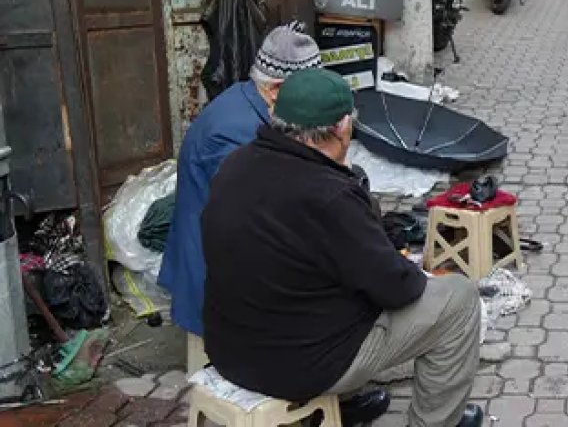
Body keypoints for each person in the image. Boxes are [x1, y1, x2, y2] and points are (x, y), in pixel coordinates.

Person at [202, 68, 484, 427]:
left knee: (321, 282)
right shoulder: (329, 194)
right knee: (458, 300)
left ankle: (343, 405)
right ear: (341, 127)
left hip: (231, 350)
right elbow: (397, 287)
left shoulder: (235, 164)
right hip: (299, 365)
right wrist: (414, 270)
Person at [160, 23, 320, 356]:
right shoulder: (235, 132)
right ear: (276, 90)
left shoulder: (250, 101)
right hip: (215, 273)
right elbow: (255, 217)